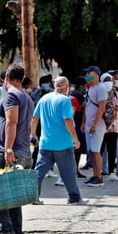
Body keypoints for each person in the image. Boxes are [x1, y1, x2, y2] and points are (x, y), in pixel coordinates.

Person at [0, 63, 34, 234]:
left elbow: (11, 122)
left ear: (6, 76)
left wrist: (8, 149)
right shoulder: (26, 97)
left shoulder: (11, 95)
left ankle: (6, 231)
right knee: (13, 194)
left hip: (10, 151)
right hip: (22, 149)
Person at [31, 76, 87, 205]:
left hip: (46, 143)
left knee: (39, 171)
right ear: (66, 87)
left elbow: (34, 117)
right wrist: (75, 138)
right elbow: (68, 120)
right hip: (63, 143)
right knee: (69, 172)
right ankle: (74, 197)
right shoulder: (65, 100)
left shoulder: (44, 99)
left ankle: (33, 196)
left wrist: (33, 134)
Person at [81, 66, 108, 187]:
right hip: (88, 124)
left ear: (97, 75)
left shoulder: (101, 88)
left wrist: (95, 124)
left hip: (97, 125)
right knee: (91, 151)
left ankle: (99, 177)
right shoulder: (90, 88)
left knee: (96, 151)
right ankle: (94, 175)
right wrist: (84, 123)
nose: (87, 76)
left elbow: (101, 108)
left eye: (89, 73)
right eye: (86, 73)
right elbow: (87, 106)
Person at [99, 73, 118, 181]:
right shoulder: (98, 93)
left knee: (112, 150)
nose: (108, 82)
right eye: (106, 80)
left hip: (113, 127)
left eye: (110, 80)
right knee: (99, 149)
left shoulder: (116, 94)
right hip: (101, 126)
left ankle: (111, 172)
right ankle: (98, 171)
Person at [70, 76, 87, 179]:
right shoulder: (78, 95)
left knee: (76, 149)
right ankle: (75, 170)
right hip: (78, 124)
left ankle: (75, 169)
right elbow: (85, 107)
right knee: (77, 149)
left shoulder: (73, 94)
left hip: (75, 123)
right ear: (81, 86)